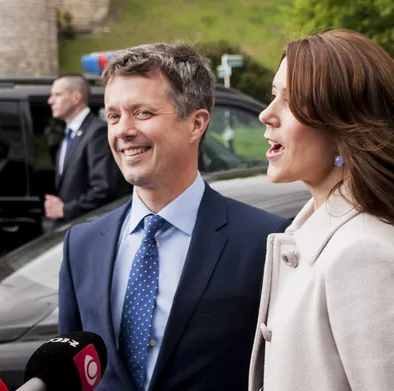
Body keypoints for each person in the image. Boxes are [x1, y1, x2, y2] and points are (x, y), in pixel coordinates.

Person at [58, 43, 289, 391]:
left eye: (143, 113)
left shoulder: (264, 241)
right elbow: (70, 375)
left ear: (196, 123)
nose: (123, 130)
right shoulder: (81, 245)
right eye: (114, 116)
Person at [248, 29, 394, 391]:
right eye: (273, 96)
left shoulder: (362, 251)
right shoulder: (315, 230)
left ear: (344, 126)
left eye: (290, 102)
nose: (266, 114)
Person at [45, 74, 129, 226]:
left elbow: (104, 189)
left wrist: (65, 209)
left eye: (57, 95)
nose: (50, 101)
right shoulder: (69, 133)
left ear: (76, 97)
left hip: (88, 225)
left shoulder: (97, 132)